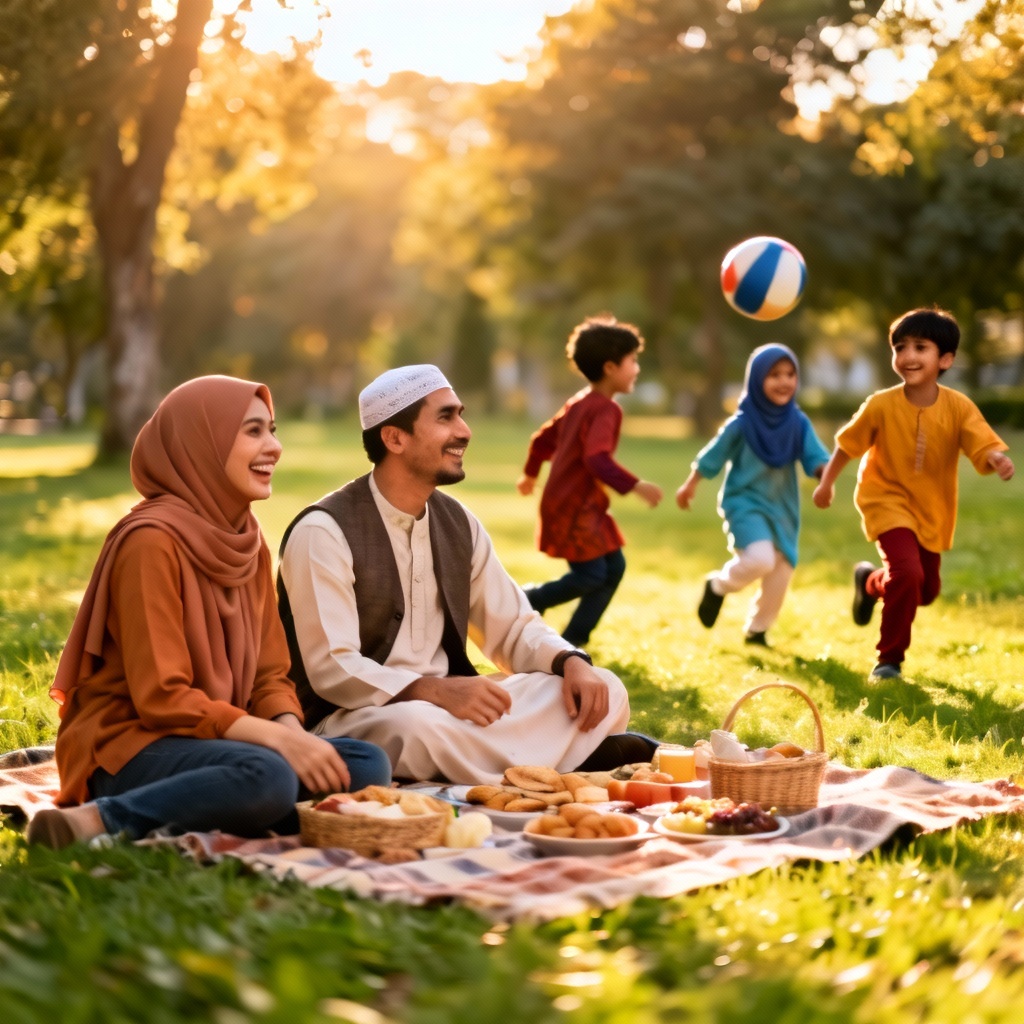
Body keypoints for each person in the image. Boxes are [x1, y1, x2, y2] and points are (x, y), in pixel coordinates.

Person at [27, 376, 391, 850]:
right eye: (253, 431)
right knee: (269, 775)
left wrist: (292, 735)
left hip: (214, 741)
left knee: (365, 763)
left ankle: (233, 803)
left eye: (272, 430)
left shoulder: (249, 541)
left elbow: (269, 675)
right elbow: (163, 697)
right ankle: (99, 820)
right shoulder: (150, 542)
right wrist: (280, 746)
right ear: (203, 443)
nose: (274, 447)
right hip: (128, 747)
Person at [278, 364, 656, 785]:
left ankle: (523, 765)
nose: (465, 430)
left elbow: (513, 625)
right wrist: (434, 691)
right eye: (446, 417)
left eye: (460, 414)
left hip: (453, 707)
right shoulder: (324, 531)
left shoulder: (458, 522)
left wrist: (570, 662)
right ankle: (567, 760)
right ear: (394, 437)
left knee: (602, 686)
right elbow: (333, 668)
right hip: (362, 715)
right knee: (416, 730)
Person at [813, 308, 1014, 679]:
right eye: (900, 347)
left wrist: (995, 458)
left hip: (931, 508)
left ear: (946, 359)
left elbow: (980, 443)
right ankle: (888, 661)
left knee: (925, 590)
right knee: (907, 574)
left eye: (920, 347)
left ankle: (871, 582)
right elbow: (847, 445)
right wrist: (827, 482)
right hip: (883, 498)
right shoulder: (881, 405)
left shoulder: (958, 407)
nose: (907, 356)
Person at [516, 315, 663, 646]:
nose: (637, 369)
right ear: (611, 367)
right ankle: (528, 601)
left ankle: (574, 638)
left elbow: (541, 441)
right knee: (592, 574)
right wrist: (636, 485)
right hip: (575, 507)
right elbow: (596, 459)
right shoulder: (604, 409)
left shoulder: (579, 402)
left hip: (579, 504)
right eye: (632, 361)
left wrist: (530, 473)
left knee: (613, 568)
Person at [676, 343, 830, 646]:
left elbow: (815, 457)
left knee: (782, 568)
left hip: (782, 506)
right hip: (744, 502)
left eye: (790, 374)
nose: (784, 381)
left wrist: (825, 477)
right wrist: (691, 484)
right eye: (774, 374)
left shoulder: (797, 422)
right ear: (756, 379)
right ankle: (719, 586)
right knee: (760, 559)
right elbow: (714, 455)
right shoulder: (743, 423)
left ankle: (758, 630)